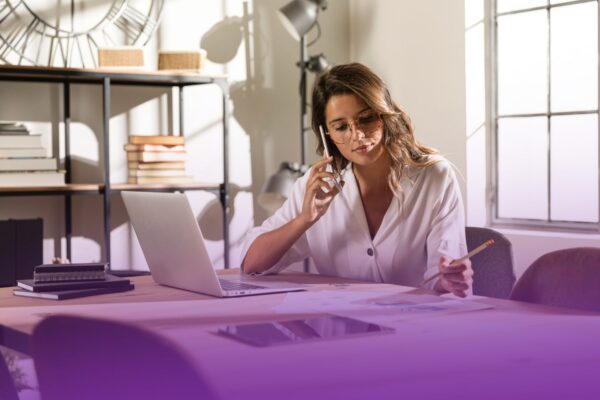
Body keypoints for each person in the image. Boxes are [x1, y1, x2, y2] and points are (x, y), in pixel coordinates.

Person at [241, 63, 473, 297]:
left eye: (367, 118)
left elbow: (443, 278)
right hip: (341, 326)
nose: (358, 135)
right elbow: (251, 264)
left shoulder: (434, 178)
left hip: (413, 325)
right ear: (327, 134)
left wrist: (450, 281)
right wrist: (304, 219)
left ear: (384, 115)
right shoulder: (316, 187)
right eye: (341, 127)